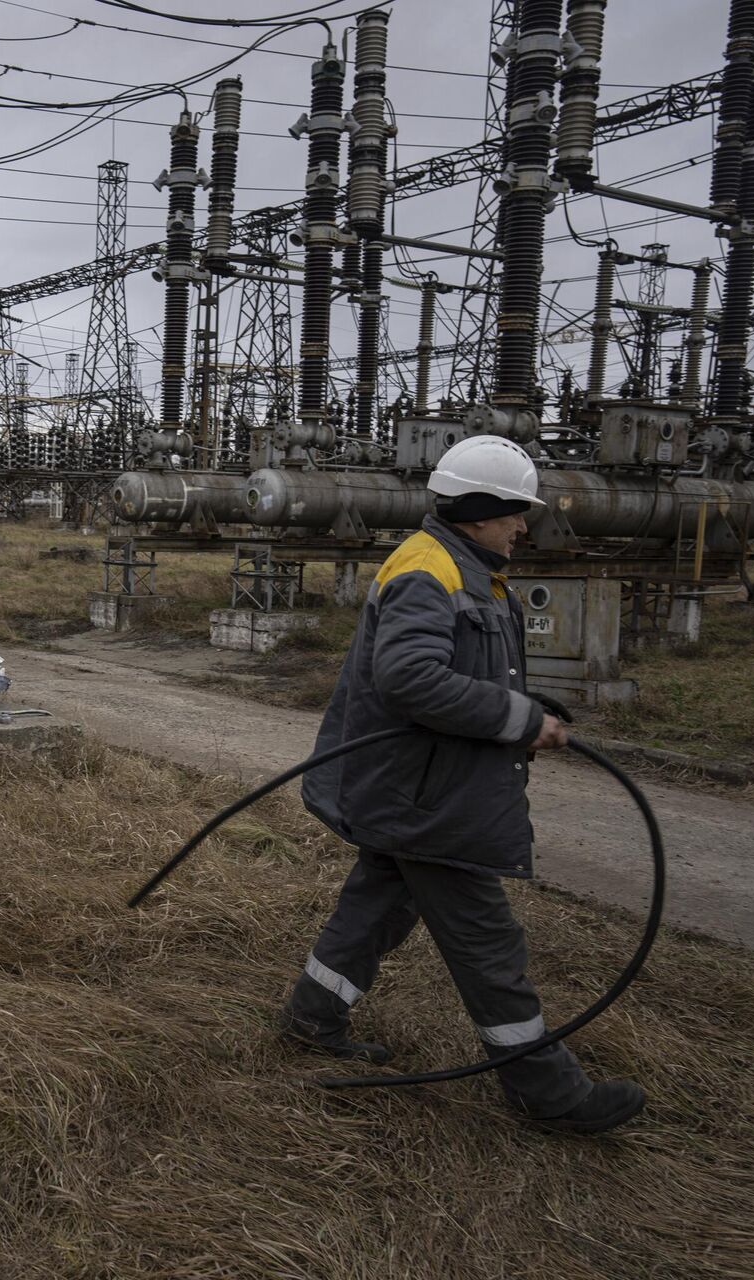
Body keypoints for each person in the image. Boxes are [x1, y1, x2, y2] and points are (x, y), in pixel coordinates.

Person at [281, 434, 646, 1135]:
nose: (523, 526)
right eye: (515, 512)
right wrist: (517, 719)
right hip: (427, 800)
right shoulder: (429, 570)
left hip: (413, 789)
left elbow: (461, 669)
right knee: (489, 945)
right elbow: (412, 677)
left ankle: (311, 1016)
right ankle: (549, 1093)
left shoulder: (464, 566)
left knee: (377, 910)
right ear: (480, 511)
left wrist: (535, 710)